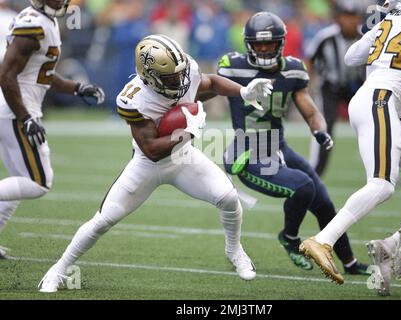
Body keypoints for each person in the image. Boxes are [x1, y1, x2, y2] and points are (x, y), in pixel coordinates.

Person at [37, 34, 274, 292]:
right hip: (147, 165)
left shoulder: (185, 70)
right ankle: (58, 270)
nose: (180, 80)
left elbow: (211, 83)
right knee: (104, 220)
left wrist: (242, 90)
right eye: (172, 77)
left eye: (180, 73)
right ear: (150, 76)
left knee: (229, 198)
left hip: (184, 157)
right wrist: (189, 133)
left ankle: (234, 250)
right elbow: (151, 150)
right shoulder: (133, 98)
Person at [299, 0, 401, 285]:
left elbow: (352, 56)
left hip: (379, 101)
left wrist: (388, 31)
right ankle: (322, 240)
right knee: (382, 184)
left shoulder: (396, 15)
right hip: (381, 100)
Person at [217, 12, 369, 275]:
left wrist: (319, 130)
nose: (264, 49)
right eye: (259, 44)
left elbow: (310, 110)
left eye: (270, 43)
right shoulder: (233, 66)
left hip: (278, 146)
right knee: (303, 186)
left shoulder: (293, 69)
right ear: (248, 44)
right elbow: (207, 85)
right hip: (249, 153)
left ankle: (350, 262)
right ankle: (289, 238)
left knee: (323, 202)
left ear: (281, 43)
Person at [0, 0, 105, 259]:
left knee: (19, 179)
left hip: (15, 109)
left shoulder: (44, 19)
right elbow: (6, 74)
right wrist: (24, 117)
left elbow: (41, 73)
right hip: (16, 111)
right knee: (39, 183)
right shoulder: (34, 23)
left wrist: (77, 87)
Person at [305, 0, 365, 176]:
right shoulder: (326, 37)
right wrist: (307, 84)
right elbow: (309, 59)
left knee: (371, 124)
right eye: (345, 17)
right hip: (329, 88)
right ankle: (315, 171)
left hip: (357, 87)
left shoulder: (365, 36)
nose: (349, 21)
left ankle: (382, 168)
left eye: (353, 17)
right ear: (338, 18)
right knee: (324, 126)